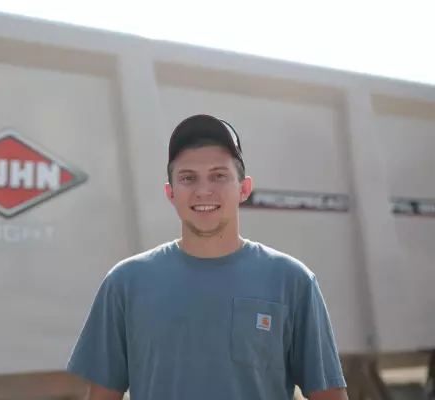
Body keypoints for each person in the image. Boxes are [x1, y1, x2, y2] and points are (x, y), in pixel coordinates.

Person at [66, 114, 349, 400]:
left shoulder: (292, 280)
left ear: (244, 189)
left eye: (219, 176)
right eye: (188, 178)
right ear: (170, 193)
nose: (203, 191)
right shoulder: (125, 283)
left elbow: (329, 395)